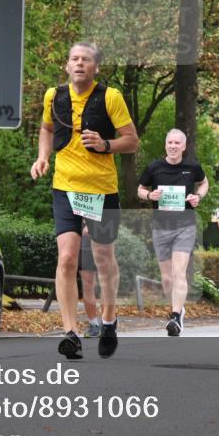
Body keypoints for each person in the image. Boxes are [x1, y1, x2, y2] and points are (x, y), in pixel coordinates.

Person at [31, 42, 139, 359]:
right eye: (74, 59)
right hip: (65, 187)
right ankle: (71, 333)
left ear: (95, 68)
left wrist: (106, 144)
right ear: (67, 66)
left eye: (86, 60)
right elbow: (46, 128)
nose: (79, 63)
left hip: (101, 190)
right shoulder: (54, 96)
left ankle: (108, 321)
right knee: (67, 258)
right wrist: (42, 157)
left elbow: (132, 142)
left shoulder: (111, 97)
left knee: (103, 258)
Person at [137, 129, 208, 336]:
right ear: (165, 145)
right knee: (167, 277)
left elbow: (204, 183)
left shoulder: (192, 167)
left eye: (177, 143)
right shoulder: (154, 167)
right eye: (170, 142)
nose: (173, 146)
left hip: (185, 226)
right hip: (161, 227)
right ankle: (178, 308)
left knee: (179, 272)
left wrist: (198, 197)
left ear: (183, 147)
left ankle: (175, 316)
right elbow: (140, 189)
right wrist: (150, 194)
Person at [78, 223, 101, 337]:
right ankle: (94, 324)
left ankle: (107, 322)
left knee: (101, 283)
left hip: (98, 234)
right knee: (87, 284)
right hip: (78, 236)